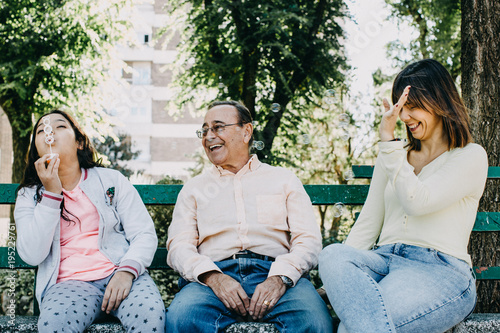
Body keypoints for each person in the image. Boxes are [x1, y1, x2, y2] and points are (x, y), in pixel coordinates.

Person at [319, 59, 488, 333]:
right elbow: (369, 221)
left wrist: (388, 144)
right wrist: (335, 284)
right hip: (382, 261)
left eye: (412, 106)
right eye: (400, 106)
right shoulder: (395, 155)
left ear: (440, 102)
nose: (404, 116)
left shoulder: (470, 156)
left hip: (438, 270)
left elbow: (417, 202)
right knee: (333, 255)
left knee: (351, 329)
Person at [165, 101, 332, 332]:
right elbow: (179, 247)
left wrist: (280, 278)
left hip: (275, 273)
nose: (208, 136)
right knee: (182, 318)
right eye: (204, 130)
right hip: (213, 278)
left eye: (218, 127)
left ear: (246, 131)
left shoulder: (283, 180)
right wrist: (214, 277)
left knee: (314, 321)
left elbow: (308, 240)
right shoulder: (194, 188)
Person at [14, 110, 166, 333]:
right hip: (68, 284)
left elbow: (143, 233)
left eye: (60, 126)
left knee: (149, 316)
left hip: (121, 273)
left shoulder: (111, 180)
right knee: (53, 326)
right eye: (41, 130)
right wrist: (52, 194)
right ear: (36, 148)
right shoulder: (29, 195)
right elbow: (32, 254)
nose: (50, 133)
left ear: (80, 142)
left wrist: (126, 272)